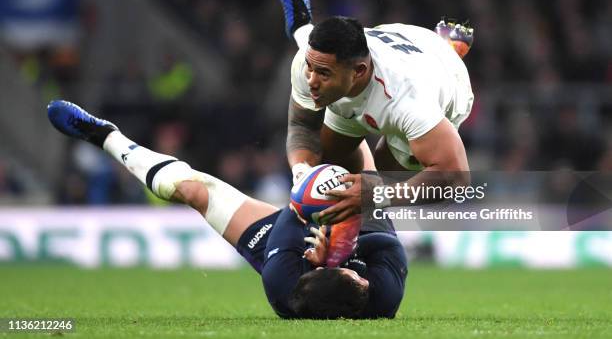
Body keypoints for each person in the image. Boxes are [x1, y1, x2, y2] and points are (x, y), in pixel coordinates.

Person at [47, 100, 408, 319]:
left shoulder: (283, 282)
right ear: (362, 284)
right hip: (367, 229)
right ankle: (309, 35)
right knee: (352, 145)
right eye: (358, 277)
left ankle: (107, 136)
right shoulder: (384, 294)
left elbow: (293, 212)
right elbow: (389, 246)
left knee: (189, 191)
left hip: (295, 237)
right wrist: (345, 244)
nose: (360, 277)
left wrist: (316, 232)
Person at [275, 0, 475, 223]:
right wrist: (302, 173)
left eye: (323, 74)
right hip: (401, 40)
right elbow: (302, 125)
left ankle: (450, 49)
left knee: (386, 174)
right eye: (310, 70)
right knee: (326, 168)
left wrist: (378, 195)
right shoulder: (309, 62)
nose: (311, 81)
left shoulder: (408, 100)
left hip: (444, 75)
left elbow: (457, 179)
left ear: (358, 71)